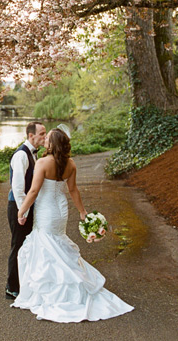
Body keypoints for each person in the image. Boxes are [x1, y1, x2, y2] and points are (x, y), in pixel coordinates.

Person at [13, 128, 133, 322]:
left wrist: (22, 210)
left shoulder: (43, 162)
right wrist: (82, 211)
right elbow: (73, 190)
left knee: (46, 244)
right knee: (57, 241)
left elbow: (34, 191)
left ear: (53, 144)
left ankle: (56, 288)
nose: (44, 140)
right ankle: (69, 282)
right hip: (60, 209)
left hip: (46, 209)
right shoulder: (70, 164)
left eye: (48, 138)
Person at [5, 121, 45, 300]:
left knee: (26, 245)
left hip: (25, 207)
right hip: (18, 207)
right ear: (31, 136)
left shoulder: (32, 154)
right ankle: (12, 288)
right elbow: (18, 188)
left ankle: (24, 284)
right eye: (42, 134)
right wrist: (23, 212)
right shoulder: (21, 155)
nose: (44, 137)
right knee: (18, 245)